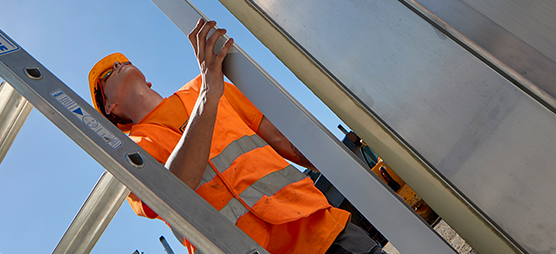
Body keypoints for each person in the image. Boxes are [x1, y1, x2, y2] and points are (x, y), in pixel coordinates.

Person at [88, 19, 382, 254]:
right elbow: (172, 192)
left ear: (146, 77)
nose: (116, 65)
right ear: (111, 110)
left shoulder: (204, 84)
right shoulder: (127, 155)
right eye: (106, 76)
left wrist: (352, 170)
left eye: (120, 61)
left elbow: (282, 142)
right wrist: (208, 97)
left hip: (317, 225)